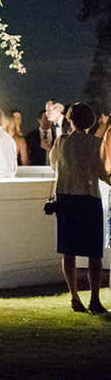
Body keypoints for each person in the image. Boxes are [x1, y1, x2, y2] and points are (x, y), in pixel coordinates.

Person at [49, 102, 111, 313]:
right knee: (94, 253)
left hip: (65, 198)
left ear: (70, 119)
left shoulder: (61, 141)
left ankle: (74, 296)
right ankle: (94, 298)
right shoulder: (96, 143)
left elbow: (53, 165)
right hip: (89, 197)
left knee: (69, 250)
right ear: (91, 121)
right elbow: (104, 172)